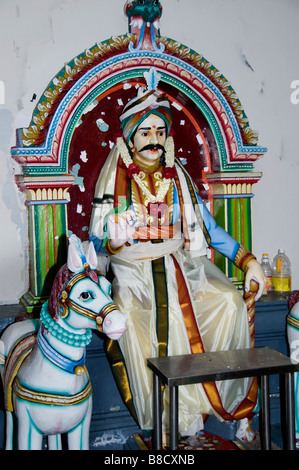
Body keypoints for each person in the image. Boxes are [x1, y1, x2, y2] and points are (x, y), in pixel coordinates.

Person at [89, 68, 266, 437]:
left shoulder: (179, 178)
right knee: (134, 323)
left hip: (180, 265)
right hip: (132, 274)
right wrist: (115, 236)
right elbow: (96, 242)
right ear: (130, 139)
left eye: (159, 131)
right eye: (145, 132)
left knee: (229, 301)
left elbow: (209, 230)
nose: (154, 139)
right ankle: (166, 417)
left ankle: (220, 404)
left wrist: (248, 262)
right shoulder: (115, 181)